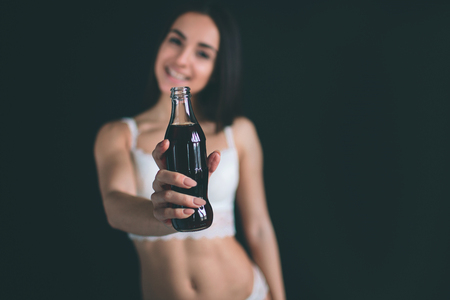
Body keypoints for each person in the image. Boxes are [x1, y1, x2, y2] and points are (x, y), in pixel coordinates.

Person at [94, 1, 285, 299]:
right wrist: (164, 213)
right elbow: (115, 206)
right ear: (160, 43)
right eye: (175, 41)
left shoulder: (238, 132)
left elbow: (259, 227)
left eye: (202, 53)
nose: (182, 60)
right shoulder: (118, 134)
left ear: (217, 68)